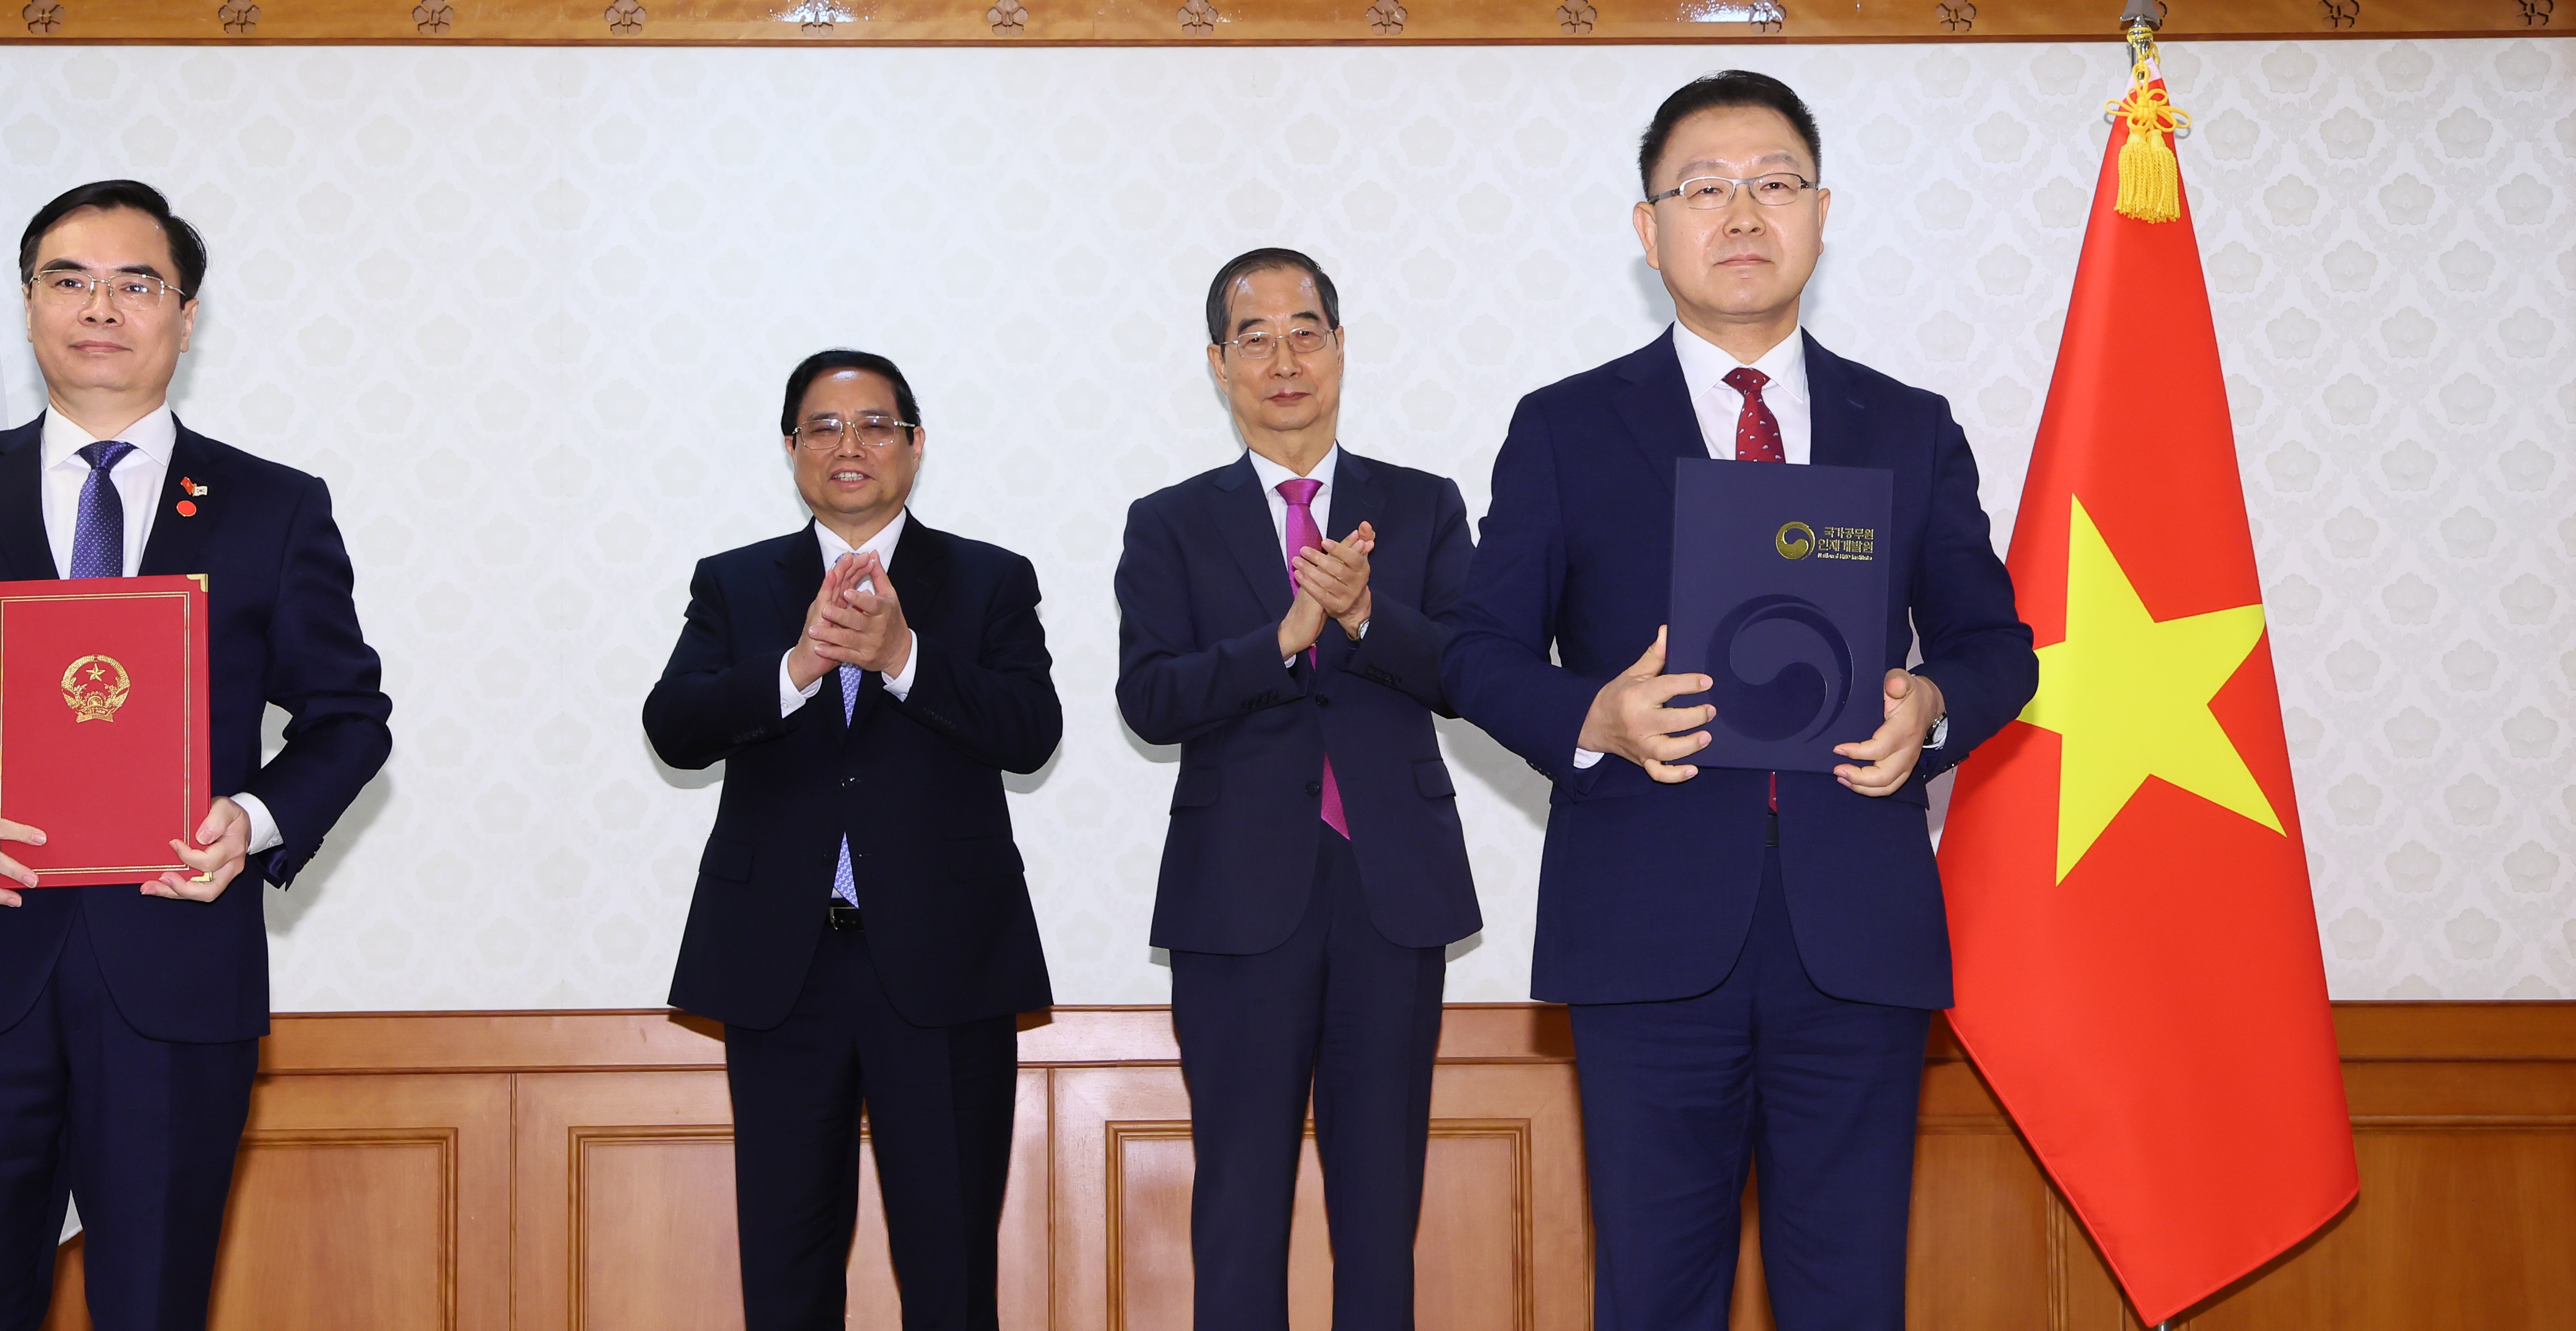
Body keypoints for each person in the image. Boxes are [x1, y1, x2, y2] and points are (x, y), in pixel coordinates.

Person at [1442, 72, 2036, 1331]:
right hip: (1648, 932)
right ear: (1648, 228)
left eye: (1774, 182)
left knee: (1852, 1294)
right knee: (1656, 1294)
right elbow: (1476, 651)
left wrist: (1930, 703)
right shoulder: (1564, 426)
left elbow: (2000, 644)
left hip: (1857, 932)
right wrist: (1594, 718)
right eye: (1702, 187)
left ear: (1822, 214)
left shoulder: (1909, 426)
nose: (1742, 211)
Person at [0, 179, 393, 1331]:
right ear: (28, 305)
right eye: (69, 280)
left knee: (154, 1305)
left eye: (139, 283)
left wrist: (257, 818)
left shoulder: (271, 507)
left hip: (174, 974)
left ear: (184, 316)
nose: (102, 308)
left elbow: (347, 714)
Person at [642, 350, 1060, 1331]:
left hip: (946, 967)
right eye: (823, 428)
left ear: (915, 445)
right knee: (786, 1270)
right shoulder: (737, 583)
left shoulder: (990, 579)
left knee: (950, 1270)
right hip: (782, 970)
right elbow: (674, 725)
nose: (850, 445)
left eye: (875, 424)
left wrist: (905, 658)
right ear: (792, 450)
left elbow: (1031, 732)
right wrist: (797, 665)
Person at [1115, 249, 1479, 1331]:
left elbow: (1467, 670)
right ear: (1220, 364)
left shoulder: (1419, 506)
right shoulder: (1170, 520)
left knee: (1381, 1208)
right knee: (1238, 1204)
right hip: (1238, 901)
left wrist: (1368, 617)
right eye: (1257, 337)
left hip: (1390, 891)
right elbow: (1150, 695)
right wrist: (1283, 636)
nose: (1286, 358)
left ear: (1341, 347)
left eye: (1307, 330)